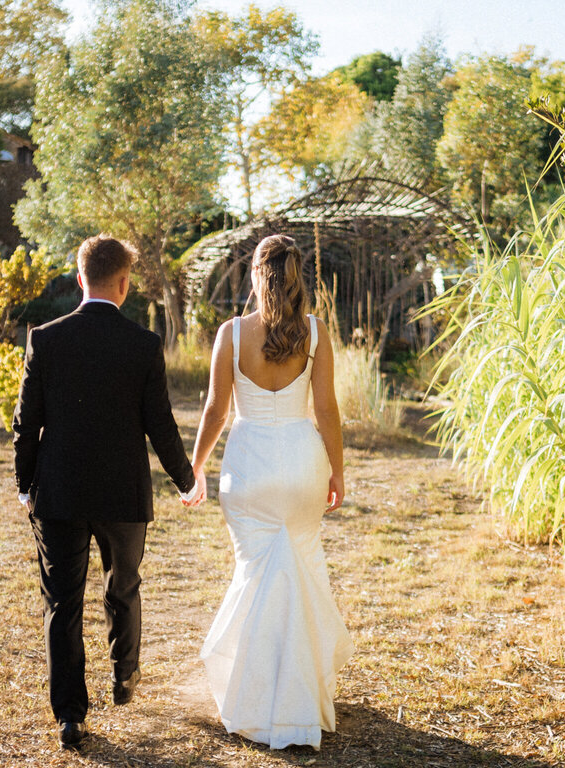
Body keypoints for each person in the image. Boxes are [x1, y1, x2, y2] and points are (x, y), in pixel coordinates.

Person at [12, 234, 197, 749]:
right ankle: (125, 673)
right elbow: (160, 425)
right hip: (123, 496)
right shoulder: (143, 345)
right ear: (124, 284)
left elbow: (27, 423)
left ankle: (70, 717)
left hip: (60, 493)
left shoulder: (45, 339)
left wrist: (24, 484)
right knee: (125, 585)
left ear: (79, 279)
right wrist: (187, 479)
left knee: (62, 603)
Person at [185, 233, 354, 750]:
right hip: (303, 464)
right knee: (300, 569)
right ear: (298, 275)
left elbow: (216, 410)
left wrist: (194, 467)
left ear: (256, 275)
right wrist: (337, 471)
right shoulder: (316, 333)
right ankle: (300, 693)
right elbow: (326, 411)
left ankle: (254, 695)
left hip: (249, 468)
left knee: (256, 572)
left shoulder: (232, 334)